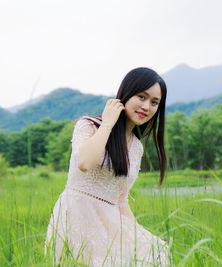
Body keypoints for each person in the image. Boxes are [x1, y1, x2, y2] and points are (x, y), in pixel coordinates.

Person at [44, 67, 169, 266]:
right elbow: (84, 163)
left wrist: (135, 235)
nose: (147, 106)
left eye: (154, 102)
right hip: (78, 215)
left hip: (110, 221)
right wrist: (108, 125)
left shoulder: (136, 147)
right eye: (141, 97)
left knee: (155, 252)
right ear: (126, 94)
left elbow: (121, 200)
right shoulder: (89, 125)